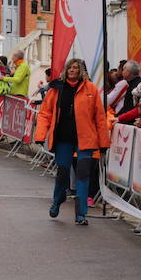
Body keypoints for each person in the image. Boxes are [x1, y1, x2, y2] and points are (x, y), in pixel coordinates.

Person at [35, 58, 108, 225]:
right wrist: (40, 135)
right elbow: (45, 113)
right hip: (63, 139)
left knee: (83, 176)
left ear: (81, 70)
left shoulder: (91, 89)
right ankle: (57, 201)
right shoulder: (56, 88)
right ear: (66, 70)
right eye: (70, 68)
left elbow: (100, 117)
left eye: (76, 68)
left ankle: (81, 214)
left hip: (86, 139)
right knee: (62, 174)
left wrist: (103, 142)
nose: (73, 70)